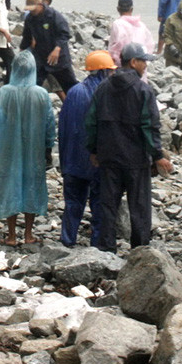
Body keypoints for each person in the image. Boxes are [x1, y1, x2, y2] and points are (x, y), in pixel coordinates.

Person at [86, 43, 172, 252]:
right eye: (144, 61)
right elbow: (150, 126)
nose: (146, 66)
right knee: (139, 207)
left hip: (108, 156)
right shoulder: (144, 90)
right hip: (136, 160)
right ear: (134, 62)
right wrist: (158, 155)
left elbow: (90, 121)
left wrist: (93, 150)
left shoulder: (103, 87)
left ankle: (106, 249)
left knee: (108, 205)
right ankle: (140, 250)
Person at [0, 50, 56, 246]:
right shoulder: (41, 94)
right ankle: (29, 234)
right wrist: (48, 149)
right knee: (32, 184)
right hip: (34, 148)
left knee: (9, 184)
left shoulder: (3, 93)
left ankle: (12, 235)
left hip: (7, 148)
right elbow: (49, 124)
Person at [59, 50, 116, 247]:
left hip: (73, 161)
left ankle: (67, 240)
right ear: (104, 71)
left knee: (73, 203)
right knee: (99, 204)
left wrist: (64, 162)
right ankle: (97, 243)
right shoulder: (107, 94)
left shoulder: (74, 92)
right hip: (99, 161)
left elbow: (63, 128)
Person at [20, 0, 78, 96]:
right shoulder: (30, 19)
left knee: (70, 87)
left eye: (33, 9)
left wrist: (57, 48)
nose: (32, 11)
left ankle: (76, 106)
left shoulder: (54, 16)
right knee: (33, 84)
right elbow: (27, 37)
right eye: (30, 9)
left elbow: (64, 33)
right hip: (41, 57)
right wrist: (21, 52)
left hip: (59, 58)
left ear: (40, 5)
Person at [107, 0, 155, 69]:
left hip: (124, 66)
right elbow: (150, 44)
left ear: (118, 9)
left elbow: (116, 48)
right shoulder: (141, 25)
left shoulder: (117, 24)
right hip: (140, 66)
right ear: (132, 9)